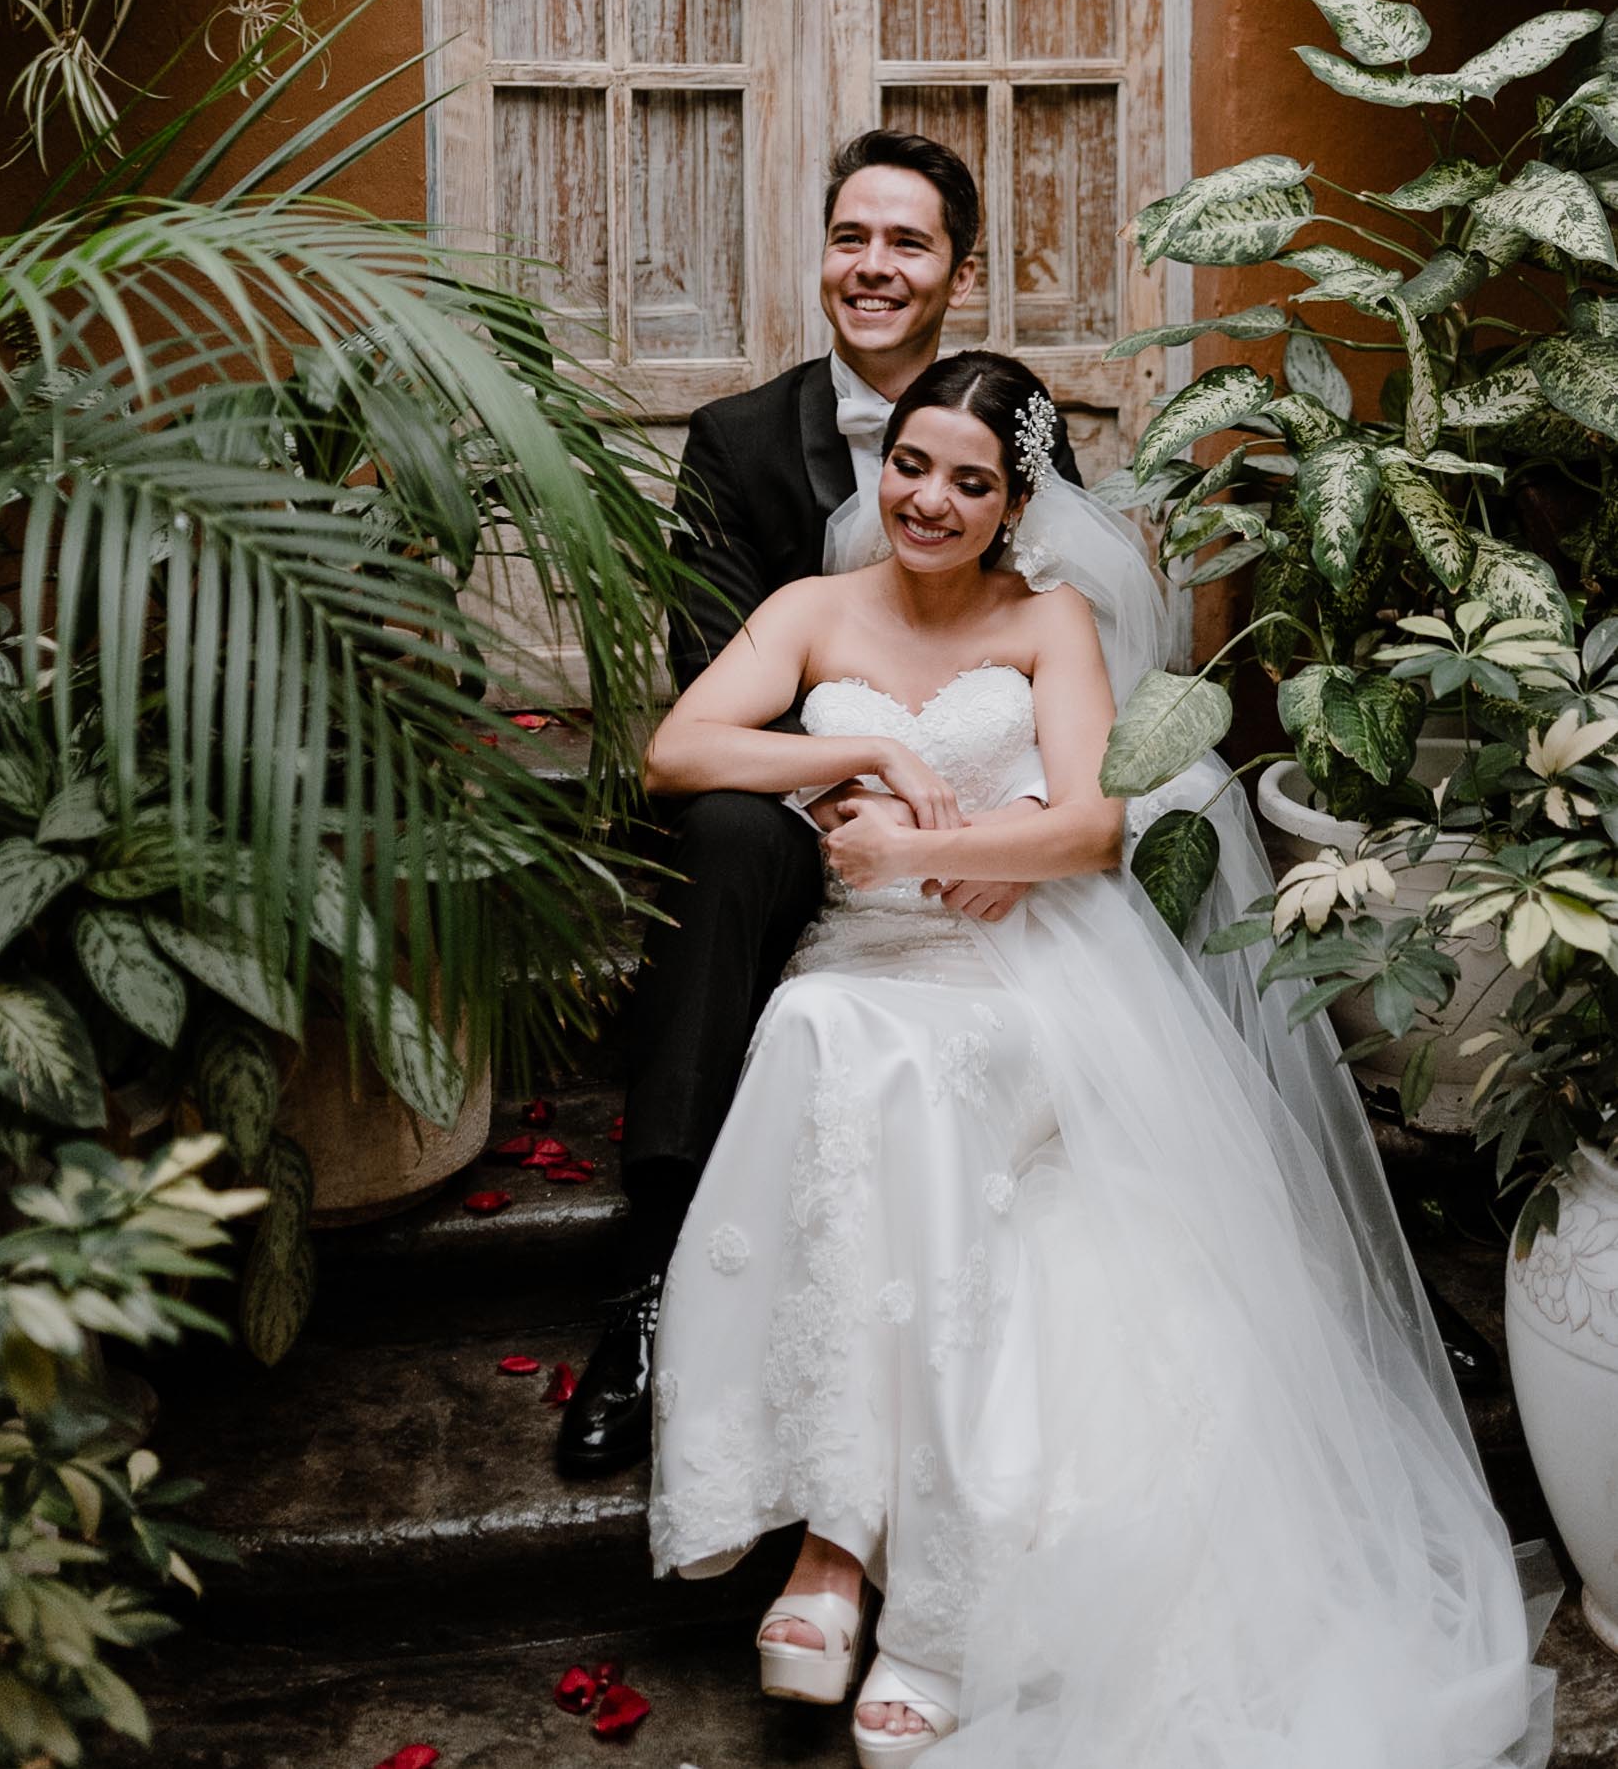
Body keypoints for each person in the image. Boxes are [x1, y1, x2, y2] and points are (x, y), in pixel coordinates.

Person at [643, 352, 1553, 1769]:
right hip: (860, 966)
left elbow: (1085, 830)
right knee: (819, 1029)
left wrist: (931, 848)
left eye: (971, 481)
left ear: (1014, 507)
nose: (930, 499)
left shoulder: (1049, 621)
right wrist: (855, 771)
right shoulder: (810, 610)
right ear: (883, 472)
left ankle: (908, 1602)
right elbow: (681, 748)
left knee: (894, 1081)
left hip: (1012, 979)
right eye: (912, 467)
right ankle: (829, 1542)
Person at [556, 130, 1081, 1478]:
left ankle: (1311, 1232)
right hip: (799, 797)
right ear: (824, 252)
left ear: (957, 273)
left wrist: (1007, 817)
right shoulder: (735, 440)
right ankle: (649, 1278)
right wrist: (867, 781)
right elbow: (706, 680)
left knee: (1193, 835)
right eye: (853, 237)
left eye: (907, 243)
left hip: (980, 812)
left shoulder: (1028, 429)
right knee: (724, 836)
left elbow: (1077, 659)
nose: (874, 266)